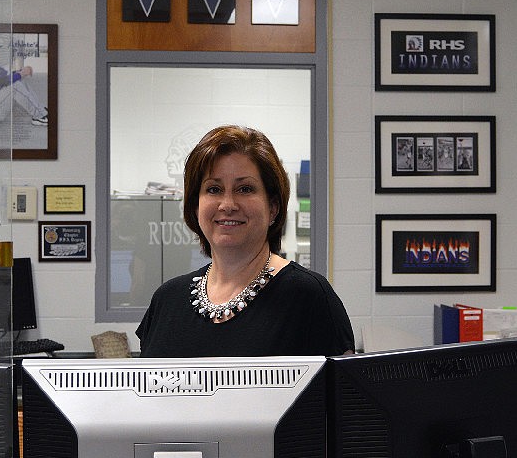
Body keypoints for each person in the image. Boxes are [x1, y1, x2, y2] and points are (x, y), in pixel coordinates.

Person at [136, 125, 354, 358]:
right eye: (214, 189)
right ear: (195, 205)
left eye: (245, 189)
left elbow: (346, 393)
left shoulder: (308, 297)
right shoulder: (167, 300)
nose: (227, 204)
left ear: (273, 207)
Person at [0, 41, 48, 126]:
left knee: (20, 81)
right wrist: (20, 74)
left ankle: (40, 110)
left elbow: (10, 76)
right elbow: (1, 81)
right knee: (14, 86)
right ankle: (40, 116)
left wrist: (22, 71)